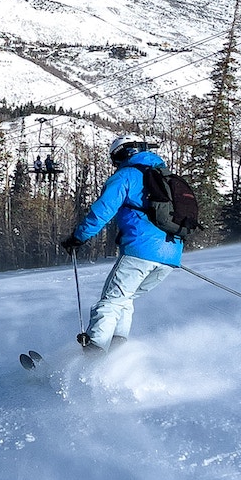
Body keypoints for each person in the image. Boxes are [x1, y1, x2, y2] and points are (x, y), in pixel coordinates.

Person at [60, 134, 184, 354]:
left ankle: (95, 351)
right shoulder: (165, 177)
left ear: (120, 155)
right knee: (125, 298)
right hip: (171, 255)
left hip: (141, 251)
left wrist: (77, 238)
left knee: (111, 301)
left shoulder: (126, 176)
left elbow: (102, 211)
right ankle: (117, 350)